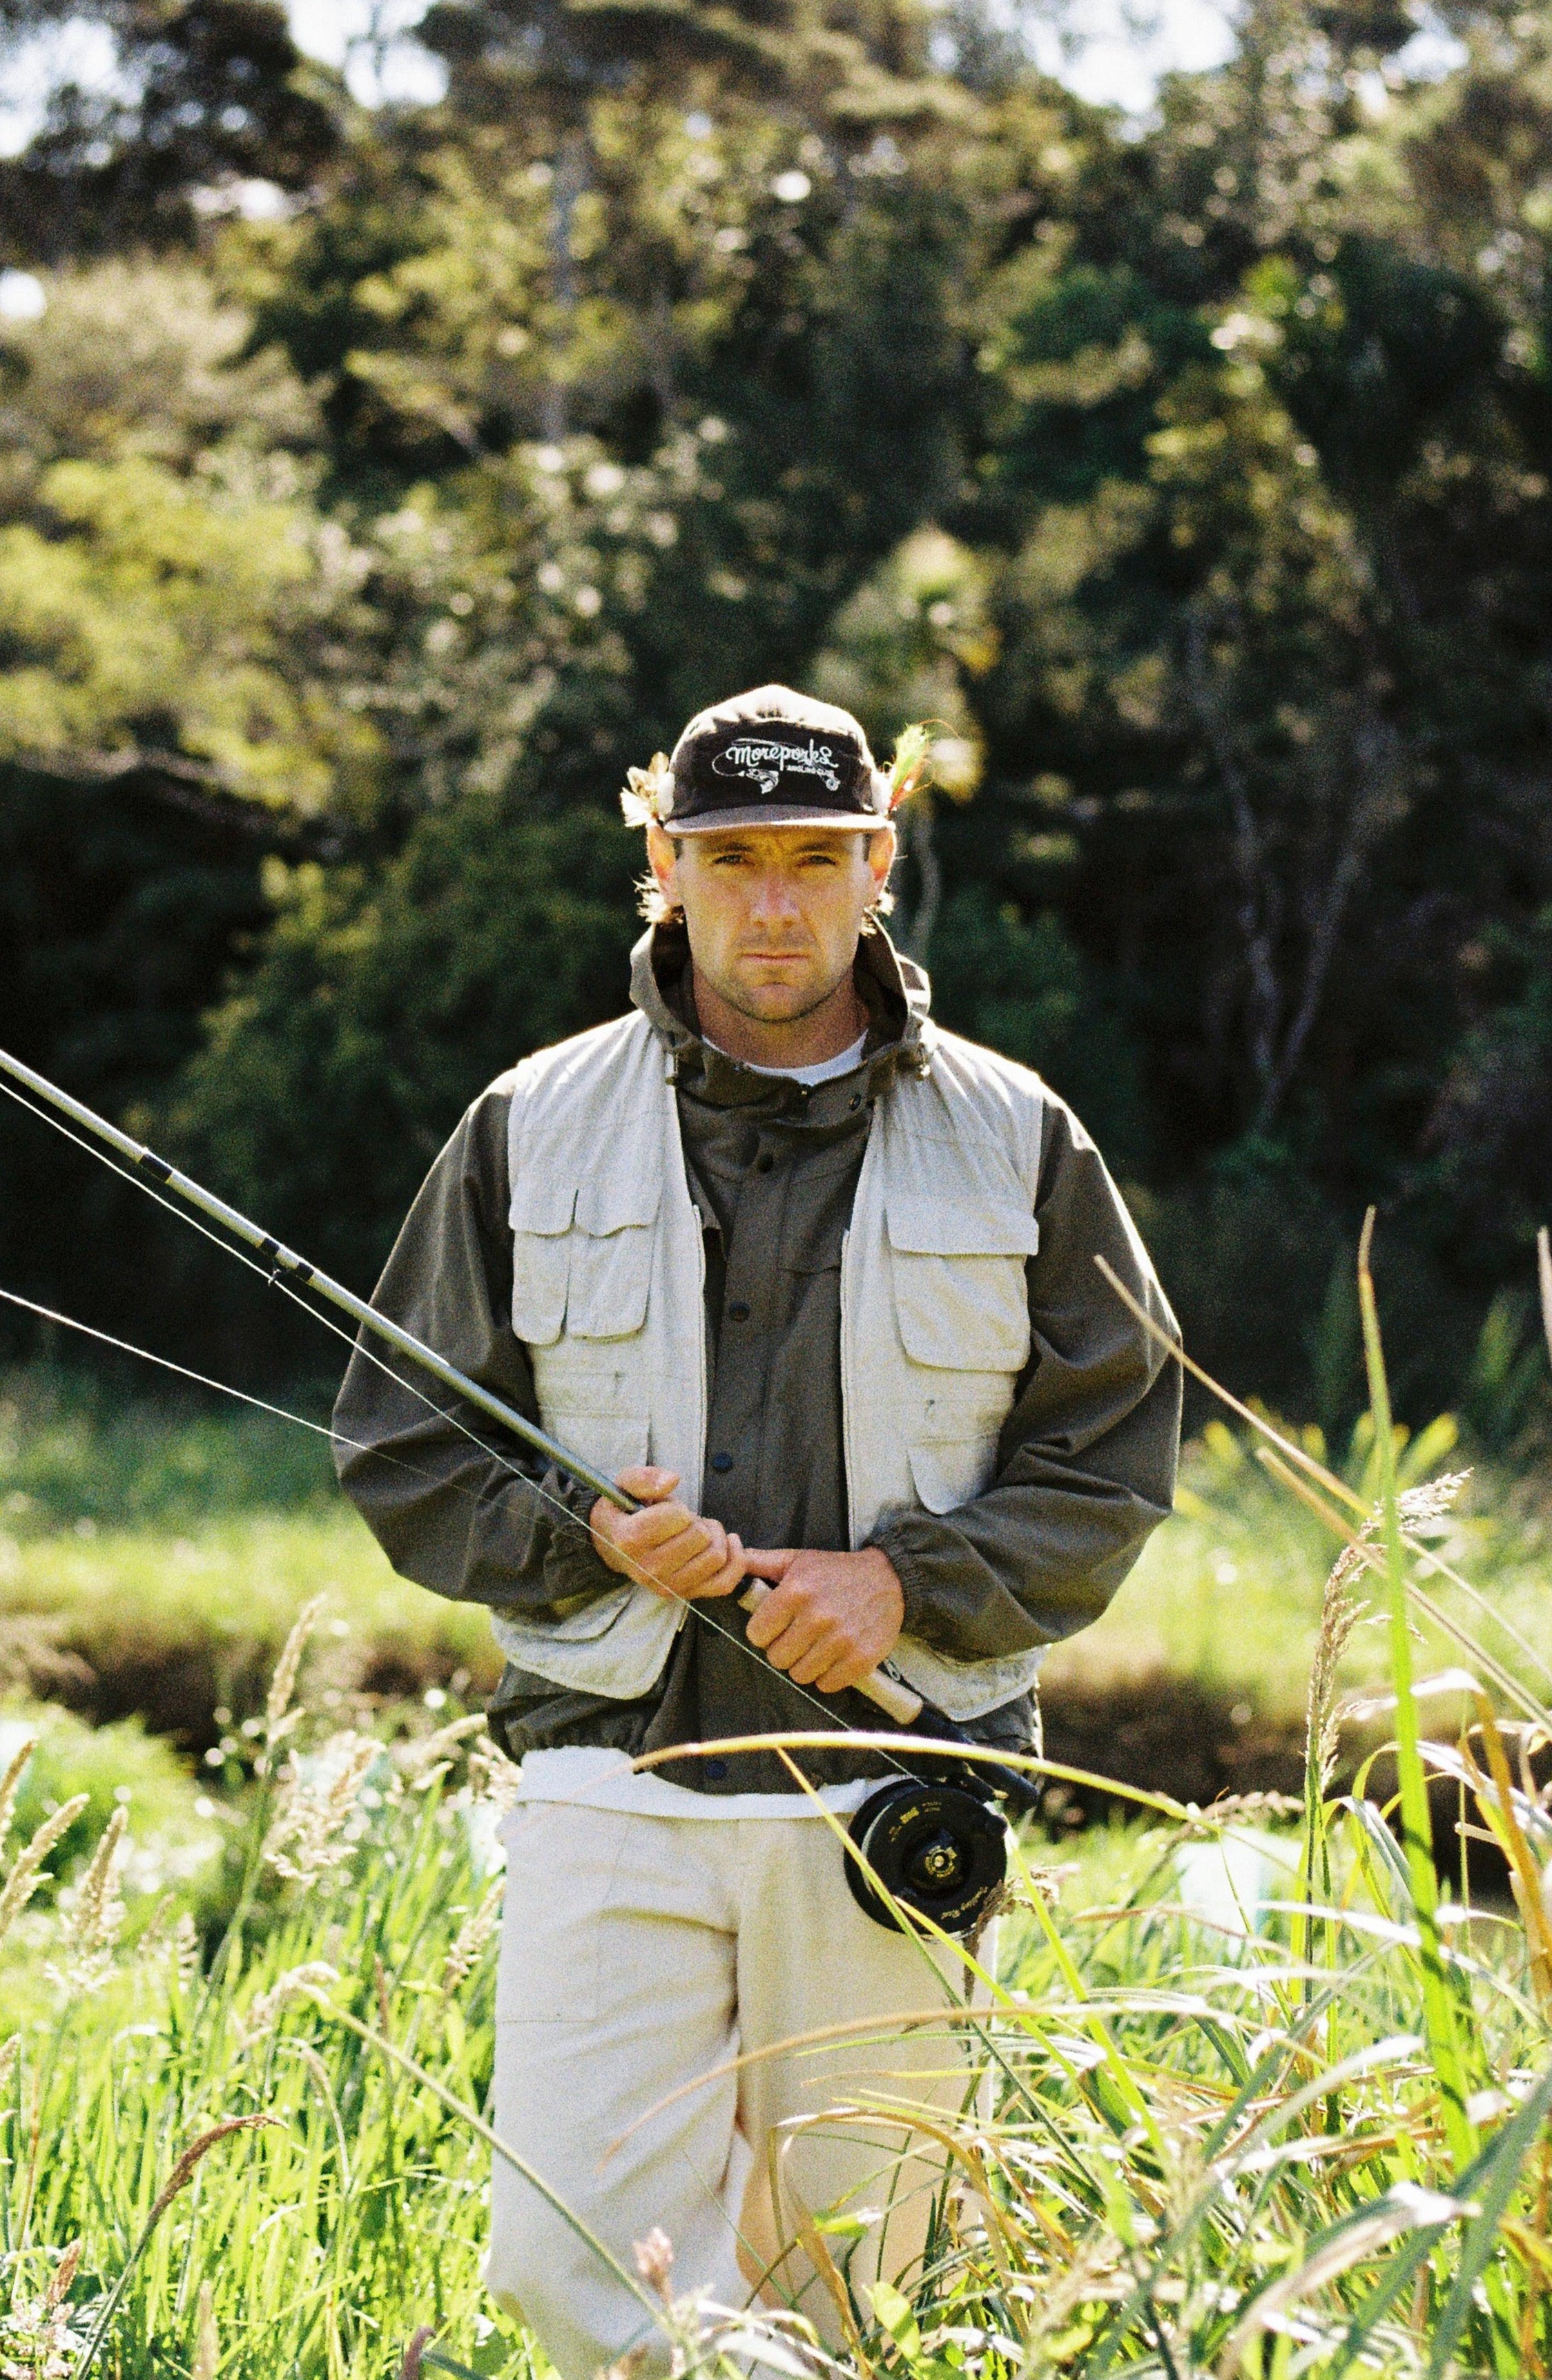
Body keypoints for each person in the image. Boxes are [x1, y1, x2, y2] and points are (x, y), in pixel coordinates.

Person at [333, 684, 1180, 2374]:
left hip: (897, 1788)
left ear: (880, 863)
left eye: (814, 858)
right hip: (608, 1772)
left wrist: (903, 1587)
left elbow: (1111, 1461)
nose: (774, 904)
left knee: (870, 2292)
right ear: (664, 863)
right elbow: (404, 1444)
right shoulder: (525, 1121)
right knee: (573, 2267)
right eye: (732, 861)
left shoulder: (1022, 1136)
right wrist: (584, 1534)